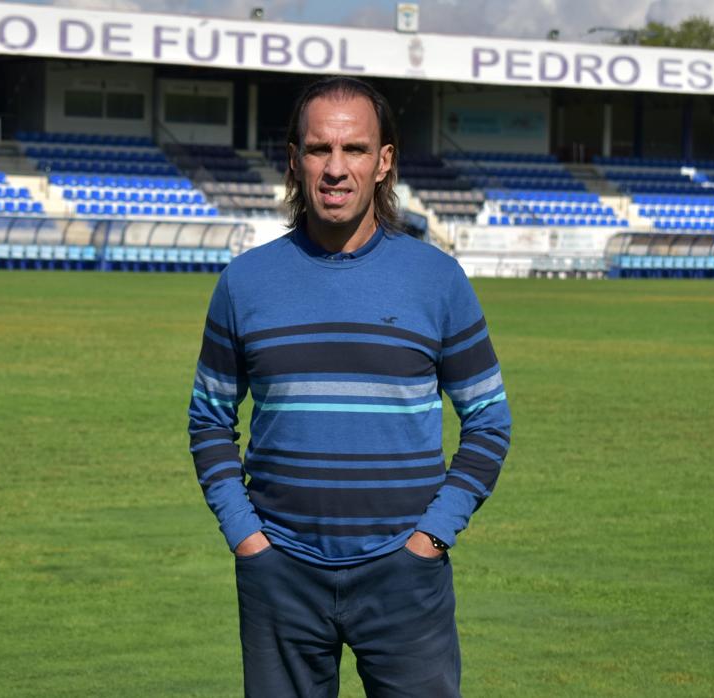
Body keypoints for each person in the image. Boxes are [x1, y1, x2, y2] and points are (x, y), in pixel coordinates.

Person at [187, 76, 511, 697]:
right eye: (318, 150)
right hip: (279, 573)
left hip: (405, 576)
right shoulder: (244, 283)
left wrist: (430, 536)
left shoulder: (437, 280)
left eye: (355, 149)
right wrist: (246, 538)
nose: (335, 169)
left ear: (384, 161)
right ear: (294, 159)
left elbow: (490, 420)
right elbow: (208, 418)